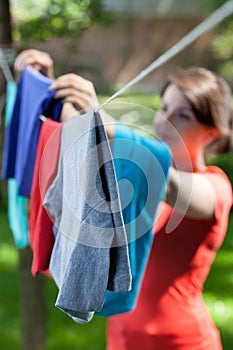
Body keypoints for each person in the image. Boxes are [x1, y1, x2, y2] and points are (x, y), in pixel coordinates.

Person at [15, 49, 233, 349]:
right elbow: (82, 151)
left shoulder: (215, 187)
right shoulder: (132, 174)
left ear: (212, 133)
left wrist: (105, 124)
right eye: (164, 107)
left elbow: (165, 181)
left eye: (182, 115)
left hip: (185, 342)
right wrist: (53, 90)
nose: (165, 121)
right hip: (120, 341)